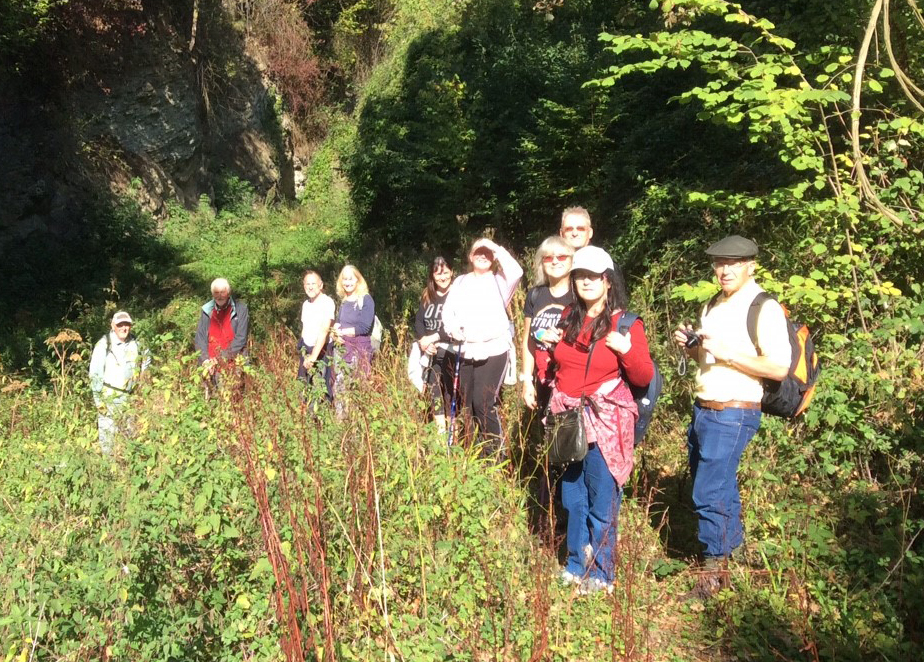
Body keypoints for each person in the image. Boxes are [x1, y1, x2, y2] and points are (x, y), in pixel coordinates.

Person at [673, 235, 790, 599]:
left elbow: (778, 367)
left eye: (733, 264)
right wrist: (691, 348)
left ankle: (714, 573)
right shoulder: (713, 305)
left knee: (708, 490)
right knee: (719, 485)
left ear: (751, 266)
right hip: (704, 407)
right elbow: (707, 359)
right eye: (719, 263)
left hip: (735, 411)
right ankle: (733, 554)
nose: (724, 270)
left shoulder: (764, 307)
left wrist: (726, 353)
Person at [549, 246, 653, 593]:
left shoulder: (626, 323)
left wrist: (626, 350)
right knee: (572, 497)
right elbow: (558, 366)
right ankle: (576, 563)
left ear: (608, 281)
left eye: (594, 276)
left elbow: (643, 376)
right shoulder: (568, 316)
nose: (586, 282)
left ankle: (602, 574)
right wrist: (546, 346)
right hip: (569, 420)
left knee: (601, 499)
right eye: (580, 276)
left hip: (605, 421)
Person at [442, 238, 523, 458]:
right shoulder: (460, 282)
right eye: (478, 251)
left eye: (487, 253)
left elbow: (517, 271)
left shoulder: (500, 281)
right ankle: (472, 454)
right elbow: (448, 312)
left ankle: (495, 456)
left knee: (483, 402)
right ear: (470, 256)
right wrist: (452, 329)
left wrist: (495, 247)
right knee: (466, 404)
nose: (482, 255)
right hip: (466, 349)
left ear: (494, 257)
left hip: (494, 349)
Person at [521, 236, 574, 412]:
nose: (555, 261)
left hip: (570, 381)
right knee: (547, 426)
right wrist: (527, 381)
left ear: (572, 260)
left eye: (562, 257)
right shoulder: (535, 295)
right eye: (548, 258)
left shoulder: (579, 294)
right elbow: (528, 341)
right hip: (542, 378)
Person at [89, 311, 150, 454]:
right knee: (108, 439)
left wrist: (142, 381)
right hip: (109, 399)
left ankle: (128, 463)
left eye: (127, 324)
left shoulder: (137, 343)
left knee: (130, 436)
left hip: (131, 398)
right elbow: (95, 374)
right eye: (120, 325)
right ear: (113, 326)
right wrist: (99, 402)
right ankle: (108, 465)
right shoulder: (104, 344)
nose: (124, 328)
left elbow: (147, 359)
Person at [414, 257, 455, 432]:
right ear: (432, 275)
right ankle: (440, 433)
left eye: (445, 272)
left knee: (451, 393)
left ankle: (453, 433)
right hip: (431, 353)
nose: (442, 277)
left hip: (451, 351)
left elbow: (457, 325)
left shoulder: (457, 294)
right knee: (434, 390)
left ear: (452, 272)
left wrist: (432, 339)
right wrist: (424, 341)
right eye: (438, 274)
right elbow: (419, 321)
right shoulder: (427, 294)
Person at [331, 265, 375, 409]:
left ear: (358, 280)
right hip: (341, 351)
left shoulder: (366, 300)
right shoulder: (344, 301)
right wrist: (334, 334)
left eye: (351, 279)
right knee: (340, 388)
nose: (347, 282)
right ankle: (340, 420)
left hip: (359, 351)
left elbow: (364, 327)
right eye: (344, 279)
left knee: (357, 388)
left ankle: (357, 421)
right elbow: (338, 323)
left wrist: (342, 332)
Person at [194, 278, 250, 386]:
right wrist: (205, 360)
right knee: (211, 394)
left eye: (222, 292)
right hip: (209, 365)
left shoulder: (240, 309)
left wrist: (220, 358)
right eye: (216, 293)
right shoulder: (207, 310)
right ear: (212, 294)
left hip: (233, 362)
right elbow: (200, 338)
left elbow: (241, 338)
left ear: (228, 293)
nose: (219, 296)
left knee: (234, 393)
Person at [298, 270, 335, 405]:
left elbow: (324, 331)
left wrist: (313, 357)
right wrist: (303, 353)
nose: (310, 287)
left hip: (321, 351)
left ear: (321, 285)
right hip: (306, 350)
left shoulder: (327, 302)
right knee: (303, 389)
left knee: (320, 391)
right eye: (307, 284)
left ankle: (321, 416)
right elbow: (305, 329)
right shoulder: (306, 304)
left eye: (313, 283)